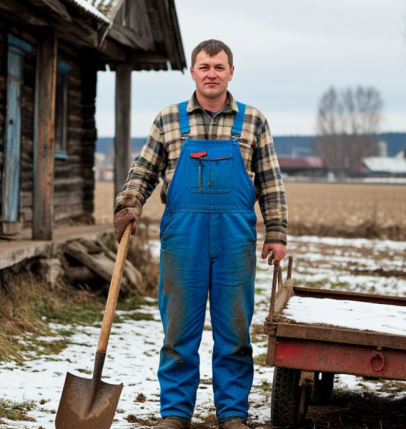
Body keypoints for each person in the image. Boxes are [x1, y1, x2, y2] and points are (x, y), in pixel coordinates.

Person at [113, 39, 287, 429]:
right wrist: (128, 204)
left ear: (230, 73)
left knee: (235, 329)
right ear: (192, 72)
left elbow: (271, 183)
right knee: (178, 328)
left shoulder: (253, 121)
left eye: (219, 67)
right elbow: (143, 171)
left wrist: (275, 231)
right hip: (183, 237)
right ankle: (175, 414)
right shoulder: (168, 120)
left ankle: (232, 414)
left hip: (234, 239)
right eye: (204, 66)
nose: (212, 73)